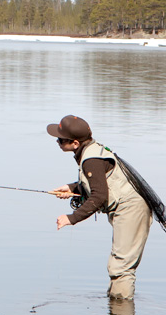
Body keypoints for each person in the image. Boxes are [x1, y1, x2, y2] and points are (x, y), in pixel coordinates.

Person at [47, 115, 153, 300]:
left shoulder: (91, 159)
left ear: (74, 143)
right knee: (118, 264)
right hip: (126, 207)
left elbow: (99, 196)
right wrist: (73, 188)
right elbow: (101, 184)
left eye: (60, 139)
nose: (57, 141)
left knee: (121, 266)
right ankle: (117, 311)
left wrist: (71, 218)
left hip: (131, 209)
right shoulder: (89, 151)